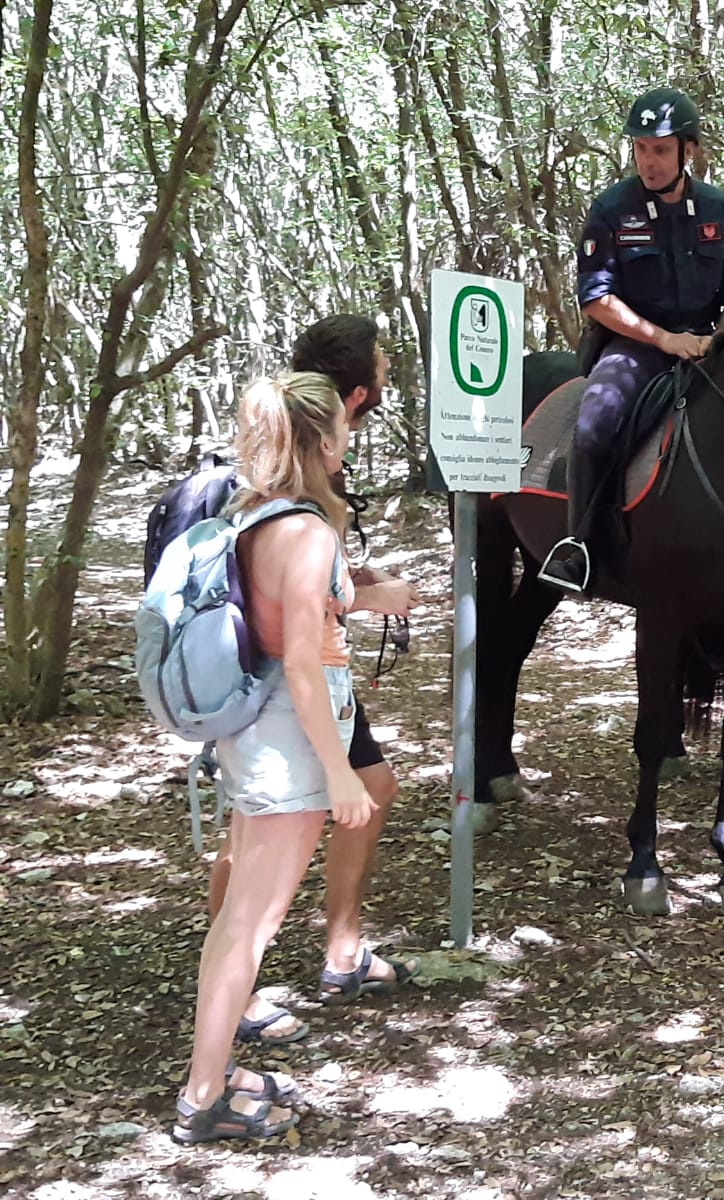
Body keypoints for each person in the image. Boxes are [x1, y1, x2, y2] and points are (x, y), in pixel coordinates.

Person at [175, 373, 376, 1142]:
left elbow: (289, 622)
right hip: (289, 745)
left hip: (255, 733)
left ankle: (215, 1075)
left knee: (239, 919)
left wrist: (360, 603)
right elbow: (299, 661)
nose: (348, 439)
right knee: (248, 926)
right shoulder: (308, 532)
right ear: (323, 441)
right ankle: (203, 1097)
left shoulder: (254, 514)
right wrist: (338, 773)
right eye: (342, 430)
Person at [212, 315, 420, 1049]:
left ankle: (342, 951)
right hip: (279, 677)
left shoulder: (300, 436)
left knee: (371, 789)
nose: (389, 368)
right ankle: (232, 986)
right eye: (382, 361)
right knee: (260, 829)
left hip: (292, 668)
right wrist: (371, 596)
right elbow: (289, 583)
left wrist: (355, 581)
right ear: (357, 392)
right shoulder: (310, 447)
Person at [539, 87, 724, 592]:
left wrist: (720, 336)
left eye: (660, 149)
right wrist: (665, 340)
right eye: (640, 148)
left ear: (689, 150)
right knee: (595, 423)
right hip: (636, 347)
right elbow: (596, 298)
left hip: (710, 345)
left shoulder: (719, 208)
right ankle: (581, 546)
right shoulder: (612, 209)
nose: (648, 161)